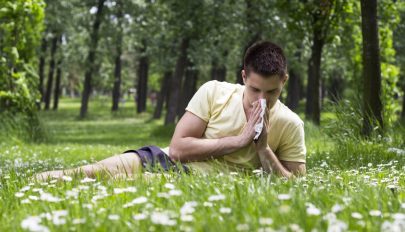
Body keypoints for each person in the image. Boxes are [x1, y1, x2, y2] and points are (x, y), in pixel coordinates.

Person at [35, 41, 306, 181]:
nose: (262, 100)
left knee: (115, 184)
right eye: (255, 90)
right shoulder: (214, 91)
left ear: (284, 81)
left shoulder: (291, 124)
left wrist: (263, 149)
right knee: (87, 173)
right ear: (244, 76)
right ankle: (34, 180)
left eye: (271, 92)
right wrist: (239, 140)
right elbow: (177, 149)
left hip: (195, 179)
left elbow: (295, 184)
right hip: (165, 158)